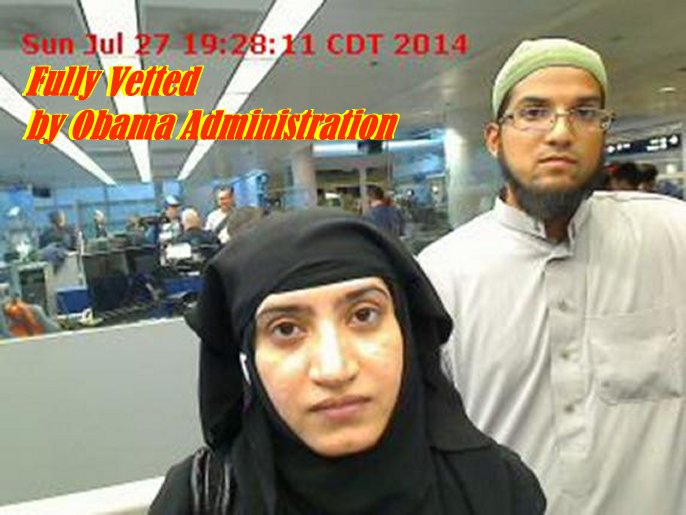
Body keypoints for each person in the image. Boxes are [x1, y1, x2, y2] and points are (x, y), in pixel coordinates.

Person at [418, 37, 686, 514]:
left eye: (584, 113)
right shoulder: (441, 276)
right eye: (534, 112)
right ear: (495, 138)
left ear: (604, 133)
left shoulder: (671, 236)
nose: (561, 132)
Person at [150, 209, 545, 514]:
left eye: (363, 315)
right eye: (286, 329)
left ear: (406, 330)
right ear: (249, 357)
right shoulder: (197, 502)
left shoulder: (495, 489)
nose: (335, 369)